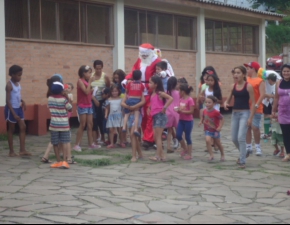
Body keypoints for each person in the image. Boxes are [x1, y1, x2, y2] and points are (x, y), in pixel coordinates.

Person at [122, 43, 162, 150]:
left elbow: (158, 78)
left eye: (145, 54)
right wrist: (127, 79)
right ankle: (147, 138)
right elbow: (133, 71)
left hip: (150, 91)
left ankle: (148, 139)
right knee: (142, 116)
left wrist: (147, 86)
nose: (143, 56)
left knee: (149, 116)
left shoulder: (157, 62)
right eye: (142, 53)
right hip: (139, 90)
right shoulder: (139, 60)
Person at [224, 66, 256, 169]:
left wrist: (251, 118)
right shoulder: (233, 86)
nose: (236, 75)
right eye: (234, 73)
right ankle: (244, 152)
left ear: (243, 74)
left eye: (238, 73)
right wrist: (225, 103)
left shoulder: (248, 86)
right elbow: (228, 99)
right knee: (234, 138)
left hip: (245, 113)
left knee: (241, 138)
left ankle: (242, 161)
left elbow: (253, 103)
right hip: (235, 113)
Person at [5, 65, 31, 157]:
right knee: (11, 129)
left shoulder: (18, 84)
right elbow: (8, 101)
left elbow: (17, 96)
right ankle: (11, 151)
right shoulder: (9, 85)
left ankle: (22, 150)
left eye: (21, 75)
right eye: (18, 75)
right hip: (11, 109)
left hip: (19, 108)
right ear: (12, 75)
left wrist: (22, 101)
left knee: (23, 127)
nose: (20, 77)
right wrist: (14, 114)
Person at [74, 65, 100, 152]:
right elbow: (85, 91)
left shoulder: (86, 81)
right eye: (89, 72)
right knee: (82, 124)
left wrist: (93, 90)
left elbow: (89, 91)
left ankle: (91, 143)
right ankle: (77, 144)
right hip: (82, 105)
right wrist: (90, 82)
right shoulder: (80, 81)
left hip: (89, 104)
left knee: (90, 124)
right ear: (83, 73)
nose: (90, 74)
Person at [148, 76, 173, 162]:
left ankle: (158, 156)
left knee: (158, 137)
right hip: (155, 115)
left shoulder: (160, 93)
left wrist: (165, 107)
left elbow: (170, 98)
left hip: (160, 115)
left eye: (151, 82)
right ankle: (162, 155)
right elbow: (153, 103)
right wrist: (149, 108)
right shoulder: (153, 93)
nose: (149, 84)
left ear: (156, 84)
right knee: (156, 136)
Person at [48, 82, 72, 169]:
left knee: (55, 143)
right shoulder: (64, 99)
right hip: (64, 125)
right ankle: (64, 161)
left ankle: (58, 161)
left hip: (54, 124)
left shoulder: (50, 98)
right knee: (65, 142)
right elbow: (70, 108)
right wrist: (66, 97)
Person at [244, 62, 266, 156]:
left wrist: (257, 104)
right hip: (246, 107)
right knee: (247, 126)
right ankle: (248, 146)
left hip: (257, 107)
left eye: (248, 68)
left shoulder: (260, 81)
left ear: (253, 69)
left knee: (255, 127)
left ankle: (257, 146)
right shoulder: (246, 80)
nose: (247, 70)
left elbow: (262, 94)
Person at [272, 64, 290, 162]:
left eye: (288, 71)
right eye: (284, 71)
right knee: (286, 134)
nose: (286, 73)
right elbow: (276, 97)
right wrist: (274, 110)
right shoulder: (279, 82)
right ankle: (288, 153)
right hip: (283, 111)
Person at [199, 96, 225, 162]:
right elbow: (203, 117)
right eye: (206, 102)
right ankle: (211, 154)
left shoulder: (216, 112)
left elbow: (222, 119)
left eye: (209, 102)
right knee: (207, 140)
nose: (207, 104)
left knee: (218, 143)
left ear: (214, 104)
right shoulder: (204, 111)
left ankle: (222, 154)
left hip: (215, 130)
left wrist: (220, 127)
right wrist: (201, 121)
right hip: (207, 130)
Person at [91, 60, 111, 145]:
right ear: (94, 68)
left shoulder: (105, 76)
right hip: (93, 100)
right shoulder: (91, 76)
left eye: (100, 68)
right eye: (96, 69)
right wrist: (94, 99)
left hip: (102, 100)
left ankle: (103, 136)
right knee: (94, 119)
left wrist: (105, 96)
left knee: (102, 119)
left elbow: (109, 88)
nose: (98, 70)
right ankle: (96, 136)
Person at [122, 94, 146, 162]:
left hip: (137, 116)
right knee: (133, 137)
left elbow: (143, 101)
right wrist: (128, 106)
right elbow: (122, 103)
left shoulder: (139, 92)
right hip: (129, 115)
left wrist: (134, 106)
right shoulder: (127, 94)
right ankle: (140, 154)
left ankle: (134, 156)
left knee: (132, 134)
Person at [122, 70, 145, 137]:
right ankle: (135, 129)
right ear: (140, 77)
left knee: (126, 115)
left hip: (130, 100)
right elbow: (142, 91)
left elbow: (126, 91)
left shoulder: (130, 84)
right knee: (137, 115)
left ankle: (124, 127)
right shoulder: (141, 84)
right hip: (137, 100)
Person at [177, 84, 195, 161]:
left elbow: (191, 111)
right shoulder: (181, 99)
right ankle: (185, 148)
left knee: (187, 137)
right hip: (181, 120)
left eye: (179, 91)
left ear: (183, 92)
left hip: (188, 121)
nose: (178, 92)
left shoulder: (190, 100)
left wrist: (182, 111)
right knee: (178, 135)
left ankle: (190, 154)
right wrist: (178, 111)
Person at [261, 72, 282, 139]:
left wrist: (272, 96)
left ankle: (274, 132)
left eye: (274, 82)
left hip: (273, 101)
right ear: (269, 79)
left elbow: (277, 94)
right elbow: (262, 92)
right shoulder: (264, 81)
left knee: (274, 116)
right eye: (272, 82)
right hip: (266, 101)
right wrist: (268, 95)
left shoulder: (278, 82)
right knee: (266, 116)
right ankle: (266, 132)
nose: (272, 83)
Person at [166, 77, 180, 153]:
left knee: (169, 131)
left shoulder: (166, 93)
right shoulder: (178, 93)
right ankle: (181, 144)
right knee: (179, 130)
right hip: (176, 112)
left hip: (168, 112)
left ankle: (168, 146)